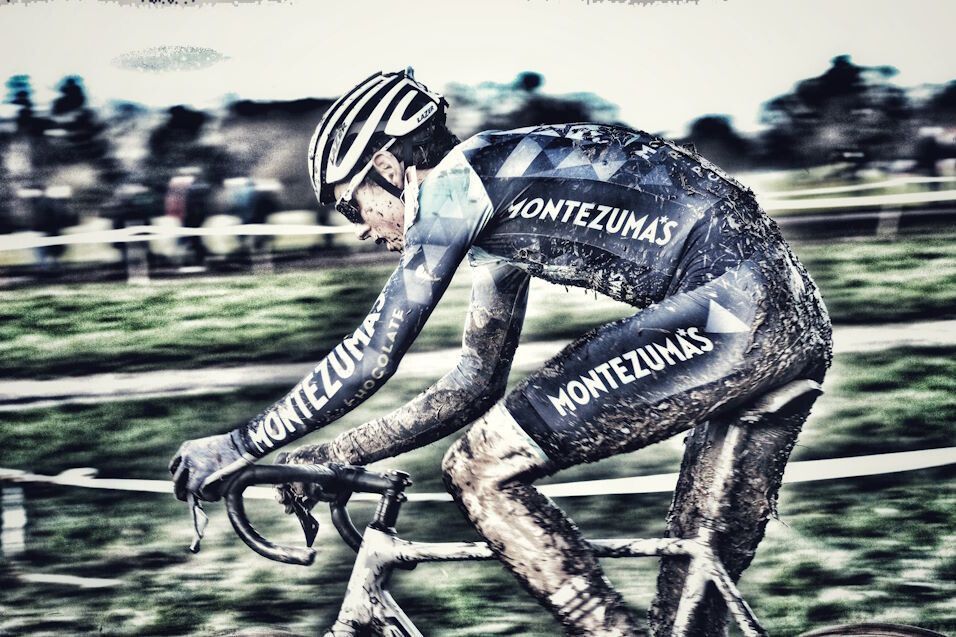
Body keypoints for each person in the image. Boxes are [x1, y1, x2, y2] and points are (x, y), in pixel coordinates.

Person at [170, 69, 832, 636]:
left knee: (477, 466)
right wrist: (341, 451)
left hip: (731, 310)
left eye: (355, 208)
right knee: (688, 595)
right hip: (791, 317)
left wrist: (239, 444)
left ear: (388, 167)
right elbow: (472, 381)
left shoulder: (458, 186)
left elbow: (374, 349)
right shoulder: (500, 198)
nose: (365, 231)